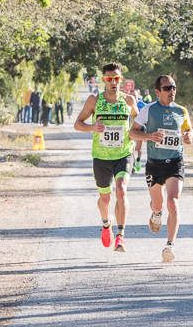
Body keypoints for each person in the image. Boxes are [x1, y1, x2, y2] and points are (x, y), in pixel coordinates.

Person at [74, 62, 138, 252]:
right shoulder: (95, 101)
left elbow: (139, 121)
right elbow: (78, 124)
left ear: (121, 80)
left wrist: (139, 133)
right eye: (109, 79)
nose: (113, 82)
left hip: (124, 154)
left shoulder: (128, 101)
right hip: (101, 156)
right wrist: (92, 127)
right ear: (104, 80)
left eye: (116, 78)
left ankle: (120, 236)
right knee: (105, 198)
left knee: (121, 190)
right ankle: (105, 224)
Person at [130, 75, 193, 263]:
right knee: (158, 204)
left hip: (175, 162)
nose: (171, 91)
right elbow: (132, 132)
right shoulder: (149, 110)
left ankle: (170, 245)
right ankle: (156, 213)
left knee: (173, 202)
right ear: (158, 92)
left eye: (173, 87)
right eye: (167, 88)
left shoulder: (181, 111)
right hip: (155, 164)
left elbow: (189, 131)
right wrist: (149, 137)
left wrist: (189, 135)